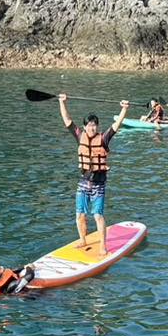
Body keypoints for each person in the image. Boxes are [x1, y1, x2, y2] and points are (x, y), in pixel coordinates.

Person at [58, 94, 129, 257]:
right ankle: (83, 240)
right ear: (84, 127)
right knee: (80, 215)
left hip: (99, 184)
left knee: (98, 215)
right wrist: (62, 102)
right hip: (83, 182)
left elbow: (116, 125)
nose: (92, 128)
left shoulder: (103, 138)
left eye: (94, 125)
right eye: (89, 125)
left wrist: (124, 109)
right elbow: (67, 120)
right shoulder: (79, 135)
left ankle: (103, 246)